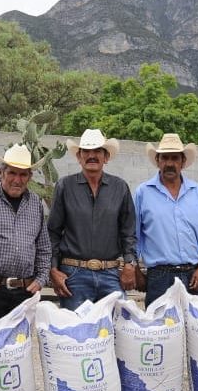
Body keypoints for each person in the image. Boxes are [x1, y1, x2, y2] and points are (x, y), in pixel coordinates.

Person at [47, 129, 137, 310]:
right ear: (79, 157)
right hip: (73, 275)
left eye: (97, 151)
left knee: (114, 332)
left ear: (106, 157)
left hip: (111, 274)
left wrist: (130, 264)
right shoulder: (65, 186)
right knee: (76, 334)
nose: (91, 156)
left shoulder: (120, 187)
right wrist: (53, 269)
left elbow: (128, 231)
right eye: (86, 152)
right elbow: (53, 231)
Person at [0, 144, 51, 326]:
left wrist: (41, 278)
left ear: (29, 177)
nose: (17, 180)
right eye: (12, 173)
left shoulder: (35, 203)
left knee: (19, 349)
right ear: (0, 172)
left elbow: (43, 247)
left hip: (24, 293)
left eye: (23, 174)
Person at [134, 133, 198, 306]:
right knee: (161, 330)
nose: (170, 163)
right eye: (165, 158)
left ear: (183, 162)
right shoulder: (143, 192)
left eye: (175, 158)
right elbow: (134, 236)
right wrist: (135, 271)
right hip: (159, 277)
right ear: (158, 160)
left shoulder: (197, 191)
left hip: (194, 274)